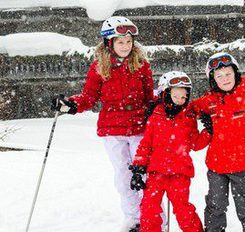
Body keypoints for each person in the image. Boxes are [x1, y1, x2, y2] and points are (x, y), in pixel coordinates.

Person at [48, 16, 155, 232]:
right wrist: (70, 105)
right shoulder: (99, 68)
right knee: (124, 177)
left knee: (145, 174)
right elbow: (88, 97)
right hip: (112, 129)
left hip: (139, 127)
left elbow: (149, 97)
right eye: (120, 42)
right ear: (109, 43)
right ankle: (134, 220)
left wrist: (159, 108)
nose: (125, 46)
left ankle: (153, 220)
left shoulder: (142, 66)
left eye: (128, 41)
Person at [190, 52, 245, 232]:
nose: (224, 79)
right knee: (215, 206)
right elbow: (188, 109)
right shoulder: (210, 101)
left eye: (228, 74)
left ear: (236, 73)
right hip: (216, 166)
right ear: (213, 79)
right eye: (219, 76)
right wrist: (168, 105)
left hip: (242, 166)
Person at [130, 71, 209, 232]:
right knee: (149, 208)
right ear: (165, 94)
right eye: (176, 95)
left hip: (180, 173)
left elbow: (196, 143)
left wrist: (209, 131)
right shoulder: (155, 118)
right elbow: (145, 145)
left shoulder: (188, 118)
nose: (180, 100)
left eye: (184, 97)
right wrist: (138, 168)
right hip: (156, 173)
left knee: (183, 209)